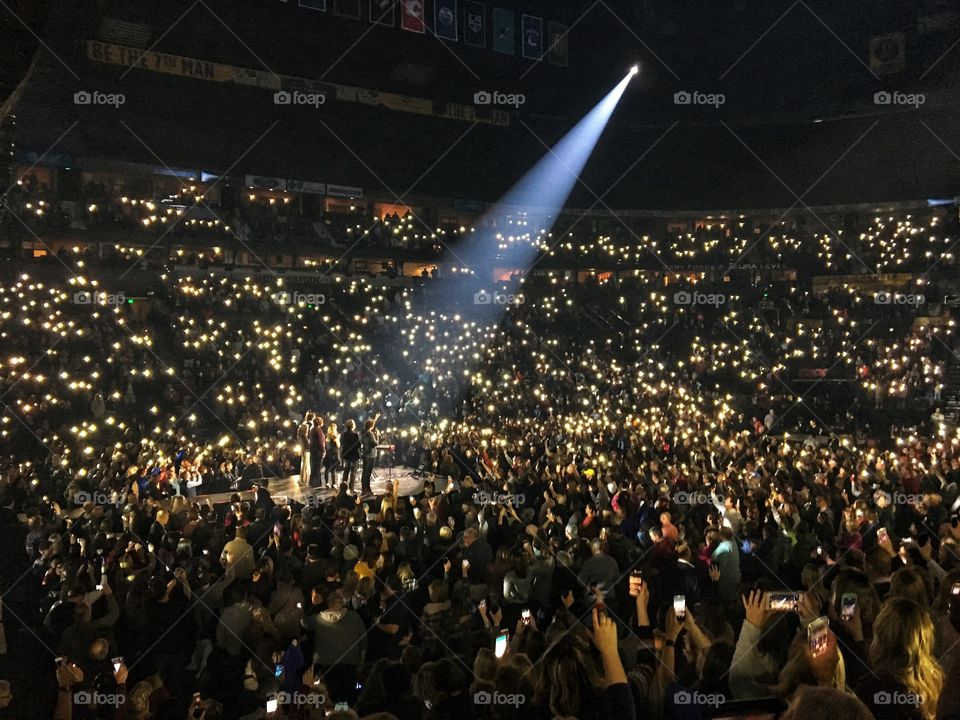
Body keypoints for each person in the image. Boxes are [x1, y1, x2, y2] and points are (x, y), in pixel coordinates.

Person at [360, 412, 381, 496]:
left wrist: (376, 418)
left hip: (365, 453)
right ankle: (368, 489)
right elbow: (375, 443)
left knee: (364, 472)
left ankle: (363, 489)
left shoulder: (363, 432)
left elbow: (371, 425)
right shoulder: (370, 433)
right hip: (371, 454)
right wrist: (377, 436)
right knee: (368, 473)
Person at [341, 419, 361, 490]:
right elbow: (358, 445)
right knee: (353, 471)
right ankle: (351, 487)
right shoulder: (355, 434)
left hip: (346, 454)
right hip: (354, 455)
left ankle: (343, 486)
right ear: (353, 425)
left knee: (346, 470)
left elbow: (342, 443)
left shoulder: (343, 434)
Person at [298, 410, 316, 486]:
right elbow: (306, 437)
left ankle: (304, 479)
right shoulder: (309, 425)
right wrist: (309, 445)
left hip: (302, 447)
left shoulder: (303, 424)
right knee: (306, 464)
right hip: (307, 447)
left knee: (304, 463)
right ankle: (304, 480)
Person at [325, 422, 342, 489]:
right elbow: (338, 445)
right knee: (333, 470)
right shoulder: (335, 436)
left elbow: (327, 446)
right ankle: (333, 484)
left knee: (328, 469)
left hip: (329, 453)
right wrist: (337, 438)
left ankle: (327, 483)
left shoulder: (328, 435)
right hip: (334, 453)